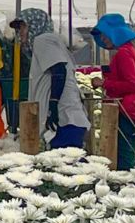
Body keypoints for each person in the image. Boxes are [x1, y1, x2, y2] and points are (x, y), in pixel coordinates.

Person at [11, 9, 90, 149]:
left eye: (23, 26)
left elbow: (59, 69)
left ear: (35, 25)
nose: (20, 32)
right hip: (66, 119)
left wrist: (53, 106)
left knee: (65, 164)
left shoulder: (42, 40)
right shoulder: (49, 42)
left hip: (63, 119)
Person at [90, 13, 135, 170]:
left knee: (123, 152)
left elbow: (133, 84)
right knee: (125, 150)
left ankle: (126, 184)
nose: (104, 39)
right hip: (130, 110)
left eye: (105, 35)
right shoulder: (130, 50)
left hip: (127, 110)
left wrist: (104, 83)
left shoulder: (123, 53)